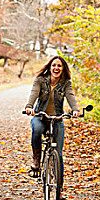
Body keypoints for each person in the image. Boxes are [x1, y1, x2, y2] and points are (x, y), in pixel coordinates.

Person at [24, 56, 80, 184]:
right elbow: (34, 93)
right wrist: (29, 106)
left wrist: (75, 109)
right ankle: (36, 159)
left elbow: (70, 96)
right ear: (49, 67)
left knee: (59, 155)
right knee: (37, 129)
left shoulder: (66, 83)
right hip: (40, 116)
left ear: (63, 68)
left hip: (56, 119)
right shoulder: (40, 81)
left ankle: (59, 189)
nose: (56, 68)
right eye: (54, 65)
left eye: (59, 66)